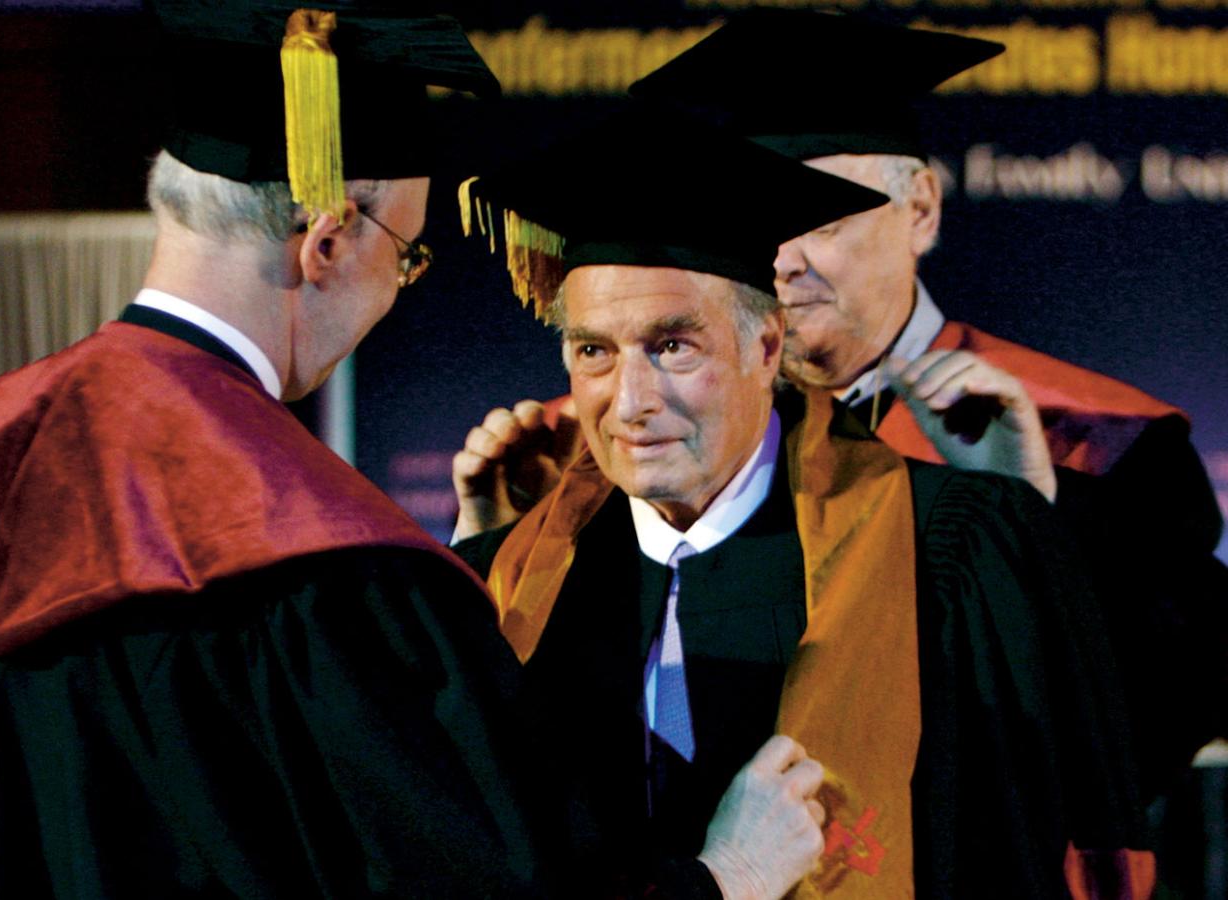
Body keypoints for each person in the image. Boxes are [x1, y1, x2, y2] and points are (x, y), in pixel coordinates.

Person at [0, 3, 553, 896]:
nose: (397, 288)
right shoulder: (310, 552)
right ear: (327, 240)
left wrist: (482, 545)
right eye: (407, 257)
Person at [464, 9, 1228, 812]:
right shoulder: (615, 445)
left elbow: (1156, 722)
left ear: (920, 210)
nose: (782, 260)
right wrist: (511, 547)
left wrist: (1033, 510)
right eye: (753, 218)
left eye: (817, 218)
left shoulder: (1094, 439)